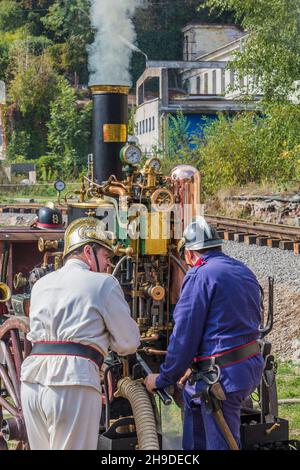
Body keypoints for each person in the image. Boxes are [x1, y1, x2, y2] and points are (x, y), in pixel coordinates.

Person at [20, 217, 140, 450]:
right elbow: (129, 342)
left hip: (32, 383)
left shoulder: (41, 285)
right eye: (106, 256)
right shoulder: (104, 284)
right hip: (73, 382)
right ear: (88, 251)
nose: (108, 264)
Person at [145, 216, 264, 450]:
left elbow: (184, 337)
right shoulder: (242, 270)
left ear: (189, 254)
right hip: (246, 368)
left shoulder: (199, 275)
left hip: (220, 378)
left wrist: (163, 378)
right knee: (197, 426)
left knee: (220, 445)